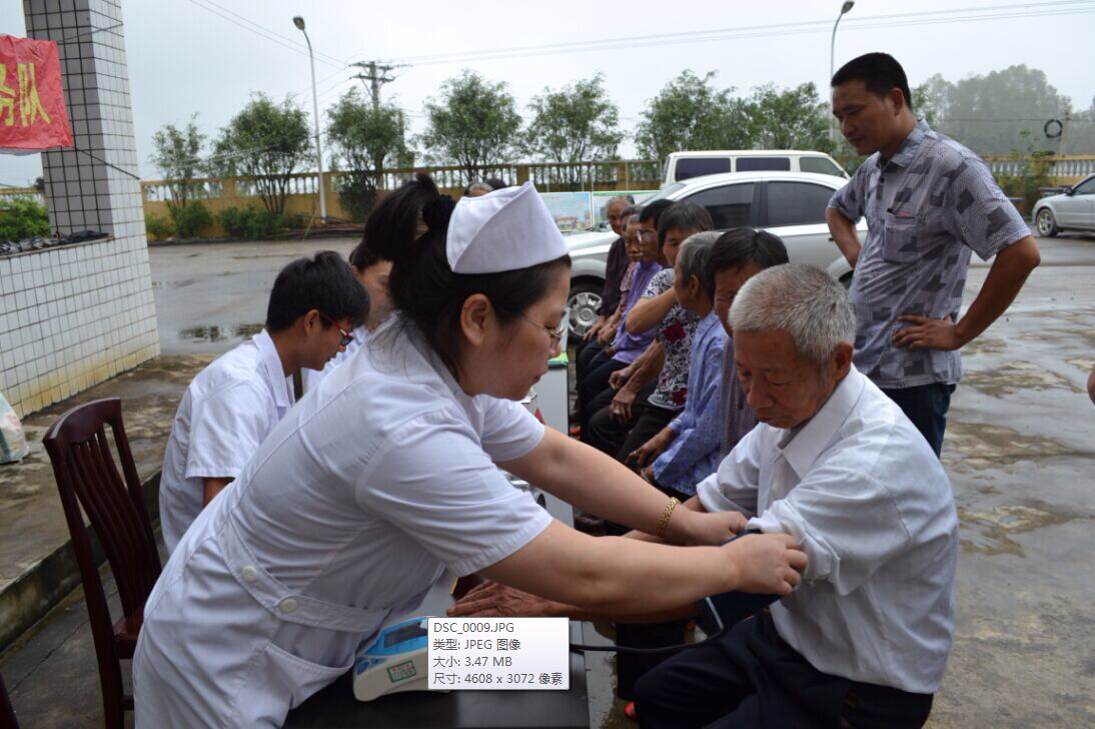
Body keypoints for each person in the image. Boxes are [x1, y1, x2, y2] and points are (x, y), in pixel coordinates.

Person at [132, 177, 806, 728]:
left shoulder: (435, 366)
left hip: (310, 638)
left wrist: (682, 522)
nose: (556, 347)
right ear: (478, 317)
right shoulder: (399, 421)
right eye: (549, 326)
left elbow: (554, 457)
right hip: (227, 660)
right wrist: (730, 564)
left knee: (540, 671)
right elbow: (582, 574)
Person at [452, 264, 958, 729]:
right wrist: (582, 571)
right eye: (744, 374)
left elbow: (721, 586)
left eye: (773, 380)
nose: (754, 399)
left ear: (838, 361)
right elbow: (696, 513)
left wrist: (557, 599)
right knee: (656, 697)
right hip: (788, 635)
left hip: (855, 683)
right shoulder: (791, 409)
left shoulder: (872, 464)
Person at [827, 52, 1041, 455]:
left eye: (854, 112)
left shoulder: (951, 167)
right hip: (863, 368)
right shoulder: (874, 168)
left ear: (894, 100)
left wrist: (960, 333)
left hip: (912, 382)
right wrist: (860, 259)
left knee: (906, 489)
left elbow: (1021, 252)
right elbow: (837, 210)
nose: (846, 128)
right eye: (839, 117)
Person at [157, 251, 368, 555]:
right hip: (214, 566)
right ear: (311, 321)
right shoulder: (238, 387)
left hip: (246, 547)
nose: (342, 348)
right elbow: (220, 520)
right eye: (344, 336)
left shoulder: (278, 372)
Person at [584, 203, 713, 461]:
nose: (683, 251)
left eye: (691, 242)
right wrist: (680, 286)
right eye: (673, 243)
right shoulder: (664, 279)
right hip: (670, 392)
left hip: (703, 399)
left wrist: (633, 381)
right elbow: (637, 324)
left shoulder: (717, 281)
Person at [628, 234, 726, 501]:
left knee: (631, 490)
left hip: (706, 472)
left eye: (676, 276)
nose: (672, 283)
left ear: (692, 285)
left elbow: (706, 431)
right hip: (689, 446)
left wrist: (656, 471)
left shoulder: (719, 342)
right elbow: (695, 410)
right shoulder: (707, 325)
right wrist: (667, 433)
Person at [577, 200, 672, 434]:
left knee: (598, 404)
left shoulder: (668, 276)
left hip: (642, 357)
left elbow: (641, 329)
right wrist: (608, 325)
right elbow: (623, 304)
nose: (637, 245)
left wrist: (630, 378)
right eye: (629, 240)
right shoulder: (640, 268)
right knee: (586, 356)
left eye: (644, 236)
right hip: (632, 350)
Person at [709, 229, 789, 457]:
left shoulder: (796, 358)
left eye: (754, 294)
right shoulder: (729, 346)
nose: (741, 309)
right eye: (729, 297)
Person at [582, 195, 636, 345]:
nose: (617, 223)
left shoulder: (642, 253)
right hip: (613, 316)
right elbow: (609, 287)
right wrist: (602, 319)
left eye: (621, 217)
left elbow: (631, 297)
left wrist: (612, 324)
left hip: (627, 319)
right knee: (585, 343)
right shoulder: (616, 247)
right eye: (612, 218)